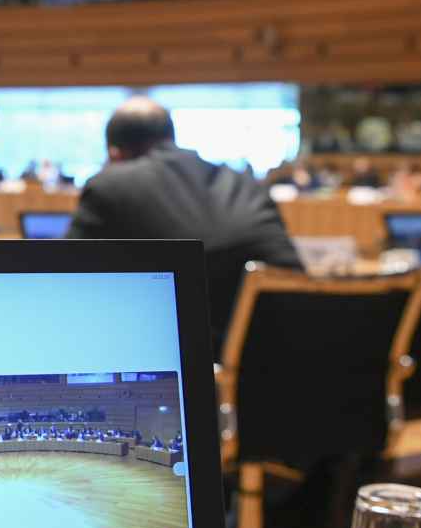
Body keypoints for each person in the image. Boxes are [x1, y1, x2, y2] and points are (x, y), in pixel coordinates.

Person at [67, 97, 303, 348]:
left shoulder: (109, 185)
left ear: (114, 153)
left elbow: (66, 279)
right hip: (290, 345)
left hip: (197, 362)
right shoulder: (244, 182)